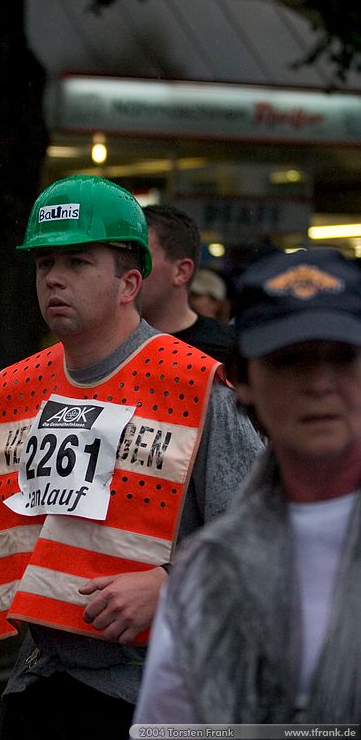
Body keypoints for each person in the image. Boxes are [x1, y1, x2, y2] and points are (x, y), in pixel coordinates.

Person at [0, 175, 263, 740]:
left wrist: (173, 582)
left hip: (158, 689)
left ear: (129, 283)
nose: (54, 279)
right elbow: (11, 513)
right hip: (41, 677)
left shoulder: (197, 384)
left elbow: (265, 532)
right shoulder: (19, 386)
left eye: (76, 262)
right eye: (45, 263)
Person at [134, 247, 361, 726]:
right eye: (290, 361)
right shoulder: (207, 571)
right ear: (242, 381)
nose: (319, 383)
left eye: (342, 359)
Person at [141, 206, 235, 364]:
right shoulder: (103, 345)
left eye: (141, 258)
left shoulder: (226, 351)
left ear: (181, 271)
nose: (128, 270)